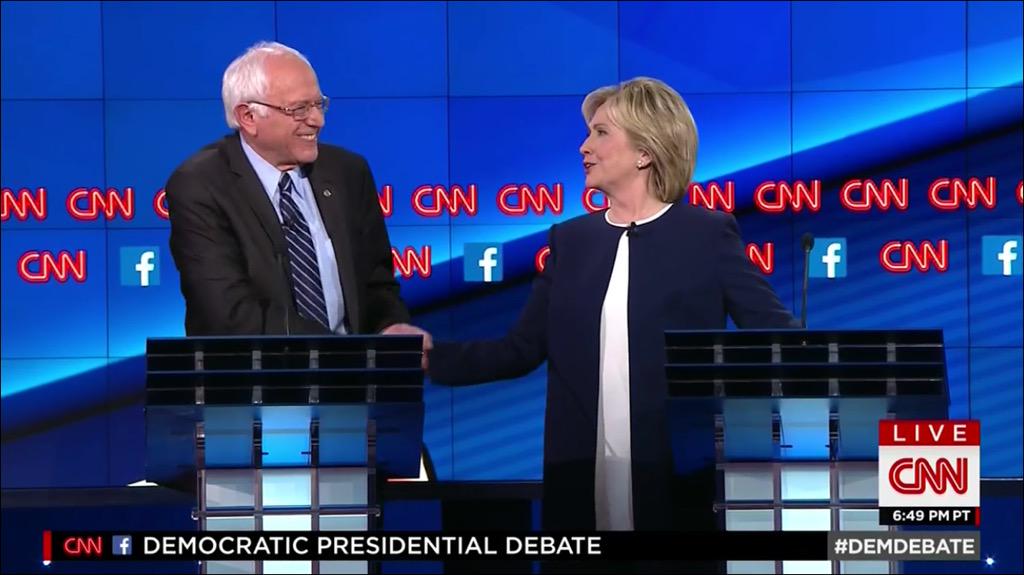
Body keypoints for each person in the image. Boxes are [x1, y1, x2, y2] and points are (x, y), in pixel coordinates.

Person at [428, 77, 798, 533]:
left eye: (601, 133)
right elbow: (519, 349)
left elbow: (776, 338)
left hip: (677, 480)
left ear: (645, 152)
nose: (585, 146)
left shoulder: (706, 235)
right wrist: (428, 356)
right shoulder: (572, 241)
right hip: (580, 476)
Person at [165, 41, 430, 347]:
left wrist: (390, 325)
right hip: (253, 383)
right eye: (299, 109)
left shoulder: (347, 172)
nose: (318, 120)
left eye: (319, 105)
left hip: (351, 383)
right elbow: (230, 315)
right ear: (248, 117)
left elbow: (375, 282)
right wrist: (344, 352)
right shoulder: (201, 185)